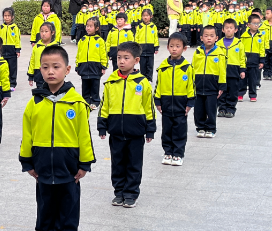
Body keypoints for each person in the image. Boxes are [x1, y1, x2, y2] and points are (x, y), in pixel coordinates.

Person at [20, 44, 95, 231]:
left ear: (67, 69)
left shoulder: (77, 103)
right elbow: (27, 134)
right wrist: (27, 161)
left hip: (68, 169)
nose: (50, 71)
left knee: (68, 210)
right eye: (45, 67)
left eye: (56, 66)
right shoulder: (35, 103)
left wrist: (84, 163)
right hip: (42, 168)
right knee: (45, 210)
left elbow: (84, 135)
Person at [97, 42, 155, 207]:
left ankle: (131, 194)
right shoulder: (111, 81)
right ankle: (119, 192)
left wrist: (150, 128)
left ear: (136, 60)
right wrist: (102, 125)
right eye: (119, 58)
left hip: (136, 132)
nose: (121, 61)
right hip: (116, 131)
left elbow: (148, 107)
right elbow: (104, 105)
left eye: (126, 58)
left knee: (133, 164)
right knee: (117, 164)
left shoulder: (142, 82)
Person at [154, 33, 194, 166]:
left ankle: (178, 153)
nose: (174, 49)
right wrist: (158, 101)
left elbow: (191, 87)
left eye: (178, 46)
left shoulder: (187, 68)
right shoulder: (163, 67)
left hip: (181, 103)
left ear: (184, 48)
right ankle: (168, 152)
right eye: (171, 46)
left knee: (180, 129)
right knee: (167, 129)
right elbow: (158, 86)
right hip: (165, 103)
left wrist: (189, 103)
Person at [191, 25, 226, 138]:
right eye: (206, 36)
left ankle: (211, 128)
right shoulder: (198, 51)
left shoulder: (220, 52)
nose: (209, 38)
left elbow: (222, 71)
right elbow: (193, 67)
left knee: (211, 109)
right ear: (201, 38)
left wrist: (222, 86)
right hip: (199, 85)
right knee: (199, 109)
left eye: (212, 36)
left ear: (216, 38)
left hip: (212, 86)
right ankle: (200, 127)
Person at [75, 17, 108, 109]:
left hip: (95, 66)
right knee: (85, 84)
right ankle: (85, 100)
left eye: (90, 26)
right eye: (87, 26)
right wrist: (78, 65)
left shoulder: (100, 40)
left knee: (94, 85)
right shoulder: (82, 40)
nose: (88, 28)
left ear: (97, 28)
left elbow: (103, 54)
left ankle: (95, 101)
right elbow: (79, 53)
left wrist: (103, 66)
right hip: (84, 66)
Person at [218, 19, 246, 117]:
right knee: (222, 91)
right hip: (221, 72)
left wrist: (242, 70)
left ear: (235, 30)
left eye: (231, 28)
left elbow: (242, 58)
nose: (229, 30)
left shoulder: (239, 43)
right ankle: (221, 108)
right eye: (226, 28)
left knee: (232, 92)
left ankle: (230, 109)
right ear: (223, 30)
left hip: (234, 71)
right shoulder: (218, 44)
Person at [238, 14, 266, 103]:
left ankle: (253, 95)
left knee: (253, 80)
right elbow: (240, 47)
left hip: (255, 60)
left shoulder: (260, 36)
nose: (256, 25)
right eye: (254, 23)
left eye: (258, 23)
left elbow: (262, 49)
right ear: (249, 24)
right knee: (242, 78)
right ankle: (240, 94)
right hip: (244, 60)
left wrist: (262, 60)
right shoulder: (243, 35)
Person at [0, 7, 22, 88]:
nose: (7, 17)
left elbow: (17, 39)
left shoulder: (15, 28)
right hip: (3, 50)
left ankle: (12, 84)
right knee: (3, 67)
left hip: (12, 51)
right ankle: (4, 83)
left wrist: (17, 49)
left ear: (12, 17)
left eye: (8, 16)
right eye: (5, 15)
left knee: (12, 68)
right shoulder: (1, 27)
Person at [27, 22, 57, 87]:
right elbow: (32, 61)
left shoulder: (56, 47)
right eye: (41, 31)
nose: (43, 34)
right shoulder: (37, 46)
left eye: (46, 31)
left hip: (52, 76)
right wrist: (30, 76)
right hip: (39, 76)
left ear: (52, 33)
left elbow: (61, 62)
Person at [134, 9, 159, 78]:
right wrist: (136, 46)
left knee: (150, 64)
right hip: (141, 48)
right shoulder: (139, 26)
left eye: (147, 15)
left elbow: (155, 37)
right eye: (144, 16)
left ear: (151, 16)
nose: (145, 17)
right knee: (142, 64)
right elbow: (137, 37)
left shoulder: (153, 26)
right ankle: (143, 77)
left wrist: (156, 47)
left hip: (150, 48)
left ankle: (149, 78)